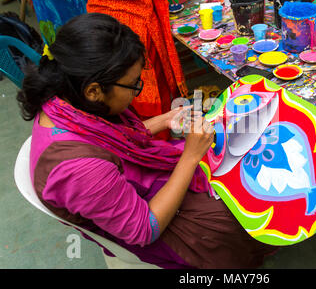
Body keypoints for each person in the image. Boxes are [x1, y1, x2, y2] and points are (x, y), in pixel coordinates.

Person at [17, 13, 278, 268]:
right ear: (94, 91)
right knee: (235, 217)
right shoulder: (78, 170)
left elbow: (109, 140)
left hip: (134, 181)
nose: (136, 91)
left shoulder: (64, 101)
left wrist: (165, 119)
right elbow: (144, 229)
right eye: (133, 85)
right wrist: (189, 157)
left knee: (235, 165)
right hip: (148, 222)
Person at [69, 0, 189, 131]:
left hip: (102, 23)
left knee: (119, 93)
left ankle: (133, 137)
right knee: (147, 93)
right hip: (133, 26)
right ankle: (157, 145)